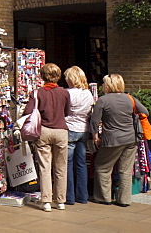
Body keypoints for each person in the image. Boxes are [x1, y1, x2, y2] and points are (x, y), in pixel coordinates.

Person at [90, 73, 149, 207]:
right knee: (125, 171)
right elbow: (145, 111)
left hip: (112, 140)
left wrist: (95, 137)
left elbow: (94, 122)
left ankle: (103, 198)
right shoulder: (130, 98)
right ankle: (124, 200)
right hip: (130, 139)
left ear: (109, 85)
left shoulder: (103, 100)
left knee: (102, 168)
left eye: (104, 83)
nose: (102, 86)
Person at [23, 62, 71, 212]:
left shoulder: (38, 93)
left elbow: (27, 112)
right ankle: (61, 200)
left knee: (45, 167)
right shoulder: (64, 92)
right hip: (61, 131)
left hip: (43, 131)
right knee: (61, 167)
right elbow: (67, 112)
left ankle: (46, 201)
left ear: (42, 76)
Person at [64, 66, 94, 205]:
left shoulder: (67, 93)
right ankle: (82, 196)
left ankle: (69, 197)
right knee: (81, 163)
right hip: (83, 130)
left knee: (68, 164)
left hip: (69, 128)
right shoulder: (88, 94)